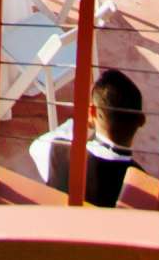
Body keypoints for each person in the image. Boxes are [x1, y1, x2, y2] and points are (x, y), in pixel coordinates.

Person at [29, 69, 145, 208]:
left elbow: (35, 147)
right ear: (140, 121)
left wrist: (82, 121)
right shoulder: (143, 183)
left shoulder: (56, 152)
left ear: (91, 113)